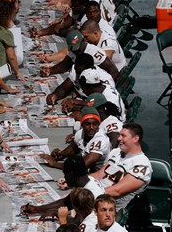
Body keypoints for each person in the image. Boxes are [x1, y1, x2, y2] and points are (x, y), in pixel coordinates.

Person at [21, 123, 152, 217]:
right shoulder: (117, 152)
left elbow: (117, 192)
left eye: (123, 136)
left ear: (136, 139)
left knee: (67, 210)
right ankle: (37, 210)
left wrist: (86, 193)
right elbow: (100, 174)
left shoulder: (142, 166)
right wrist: (78, 181)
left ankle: (40, 210)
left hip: (110, 210)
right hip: (94, 196)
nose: (119, 139)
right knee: (67, 199)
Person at [40, 106, 110, 172]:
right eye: (87, 124)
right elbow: (74, 147)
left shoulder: (100, 141)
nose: (91, 127)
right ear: (82, 125)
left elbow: (81, 167)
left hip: (100, 176)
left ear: (98, 125)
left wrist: (54, 164)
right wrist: (59, 155)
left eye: (95, 124)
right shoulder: (80, 133)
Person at [41, 30, 119, 82]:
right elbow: (65, 65)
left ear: (83, 41)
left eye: (77, 48)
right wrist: (50, 70)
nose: (76, 51)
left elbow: (113, 71)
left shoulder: (95, 53)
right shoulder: (73, 51)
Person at [46, 53, 115, 106]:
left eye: (80, 72)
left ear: (91, 68)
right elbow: (64, 88)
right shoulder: (76, 69)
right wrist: (55, 95)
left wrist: (78, 103)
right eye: (77, 72)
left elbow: (101, 106)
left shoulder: (106, 80)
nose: (78, 75)